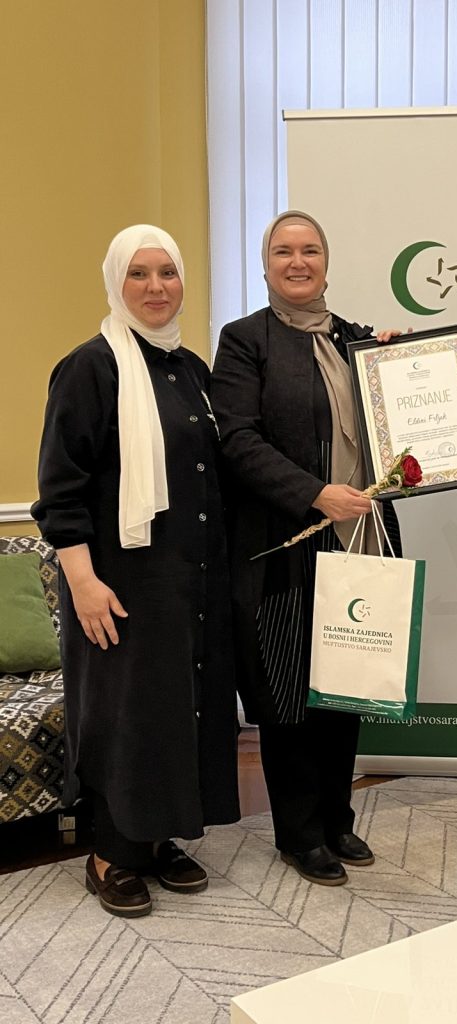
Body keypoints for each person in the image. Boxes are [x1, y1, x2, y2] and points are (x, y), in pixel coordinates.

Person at [33, 225, 240, 918]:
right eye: (139, 274)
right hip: (119, 583)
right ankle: (111, 853)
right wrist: (83, 584)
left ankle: (157, 838)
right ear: (115, 283)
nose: (156, 287)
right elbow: (60, 490)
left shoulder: (192, 370)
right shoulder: (89, 368)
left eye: (168, 272)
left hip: (190, 578)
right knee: (125, 716)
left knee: (179, 711)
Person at [210, 210, 401, 886]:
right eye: (283, 252)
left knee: (347, 685)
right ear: (265, 266)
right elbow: (237, 440)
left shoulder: (359, 342)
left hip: (359, 539)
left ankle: (337, 819)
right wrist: (315, 493)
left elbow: (397, 429)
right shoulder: (244, 342)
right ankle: (299, 832)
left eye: (310, 250)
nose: (298, 262)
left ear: (327, 262)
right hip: (282, 543)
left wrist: (399, 369)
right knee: (288, 690)